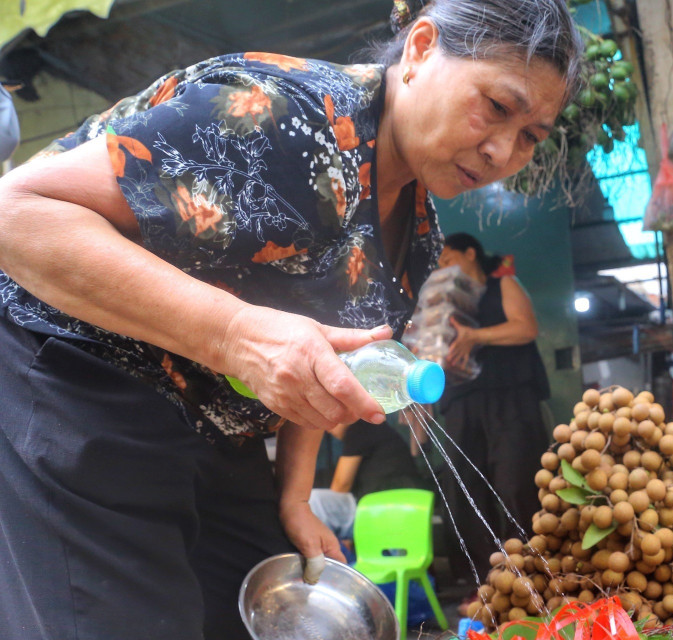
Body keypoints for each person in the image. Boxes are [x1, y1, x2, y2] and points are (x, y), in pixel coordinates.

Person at [0, 0, 582, 637]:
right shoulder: (285, 121)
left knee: (270, 605)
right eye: (497, 107)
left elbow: (335, 354)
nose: (502, 150)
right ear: (419, 49)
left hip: (216, 418)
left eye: (531, 136)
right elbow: (18, 215)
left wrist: (296, 495)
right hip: (74, 370)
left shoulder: (416, 232)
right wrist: (232, 334)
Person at [436, 233, 551, 583]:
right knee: (465, 488)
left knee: (517, 480)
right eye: (439, 265)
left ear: (471, 253)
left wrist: (476, 336)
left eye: (448, 259)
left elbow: (526, 328)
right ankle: (485, 582)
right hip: (459, 402)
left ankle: (537, 571)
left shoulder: (503, 285)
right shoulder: (443, 303)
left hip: (510, 398)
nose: (443, 268)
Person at [308, 419, 428, 541]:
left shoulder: (360, 427)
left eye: (330, 421)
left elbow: (341, 485)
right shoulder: (378, 430)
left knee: (315, 501)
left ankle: (320, 552)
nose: (328, 429)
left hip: (384, 509)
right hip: (402, 507)